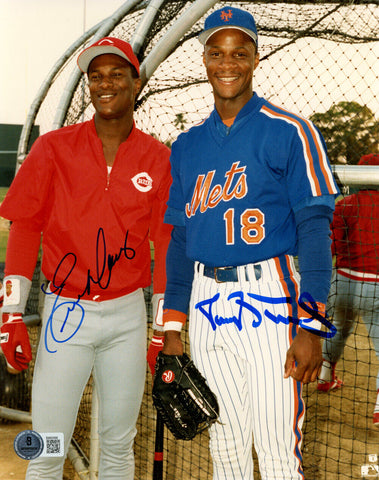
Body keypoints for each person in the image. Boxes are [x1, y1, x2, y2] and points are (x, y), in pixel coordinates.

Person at [159, 6, 339, 480]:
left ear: (256, 59)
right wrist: (172, 325)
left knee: (279, 449)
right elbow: (179, 241)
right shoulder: (187, 145)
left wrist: (313, 325)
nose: (227, 63)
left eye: (239, 52)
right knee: (226, 446)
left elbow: (316, 235)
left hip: (270, 299)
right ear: (203, 60)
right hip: (204, 300)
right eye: (216, 53)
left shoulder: (290, 130)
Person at [0, 37, 172, 479]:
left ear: (137, 82)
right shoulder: (54, 148)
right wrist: (12, 313)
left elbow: (167, 244)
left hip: (128, 316)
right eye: (95, 76)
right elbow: (24, 228)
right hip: (64, 314)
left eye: (117, 74)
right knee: (48, 447)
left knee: (118, 445)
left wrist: (161, 327)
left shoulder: (157, 157)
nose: (105, 83)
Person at [317, 153, 379, 428]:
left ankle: (324, 377)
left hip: (341, 281)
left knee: (339, 329)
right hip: (376, 286)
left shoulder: (344, 205)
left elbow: (329, 247)